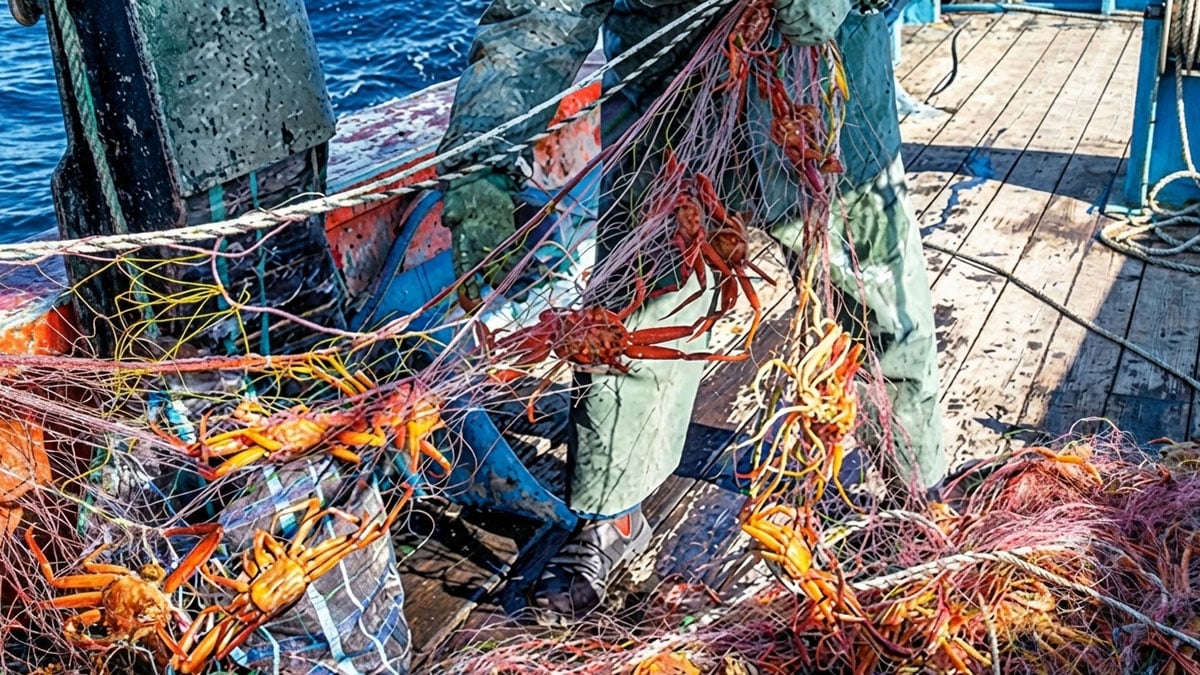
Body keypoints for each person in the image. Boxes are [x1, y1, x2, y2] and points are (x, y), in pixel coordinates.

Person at [436, 0, 946, 621]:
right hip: (668, 87)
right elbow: (541, 14)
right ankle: (612, 512)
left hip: (819, 76)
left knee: (874, 291)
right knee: (635, 304)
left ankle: (915, 486)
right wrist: (480, 160)